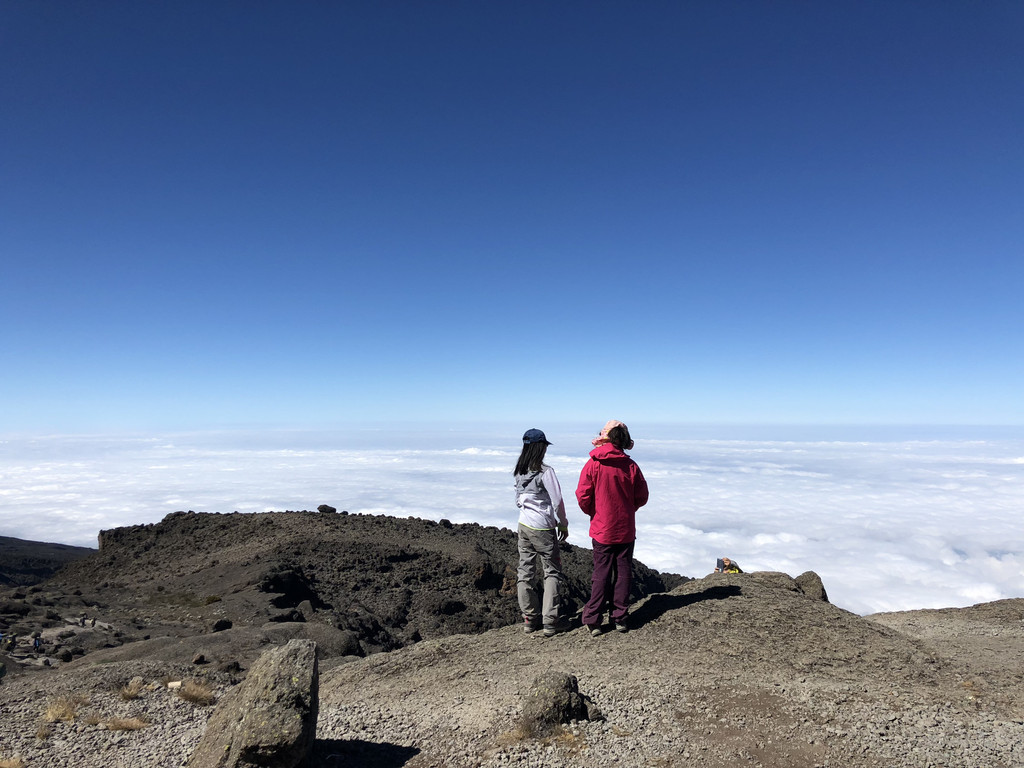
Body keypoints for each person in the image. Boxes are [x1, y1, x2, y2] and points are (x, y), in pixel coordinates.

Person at [576, 420, 649, 636]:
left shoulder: (594, 463)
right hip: (625, 528)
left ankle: (594, 621)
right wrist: (628, 508)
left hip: (602, 528)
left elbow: (583, 495)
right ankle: (620, 618)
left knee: (601, 573)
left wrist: (594, 513)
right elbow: (642, 496)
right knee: (624, 573)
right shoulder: (631, 465)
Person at [514, 428, 569, 637]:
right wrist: (563, 524)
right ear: (541, 447)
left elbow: (518, 499)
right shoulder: (546, 472)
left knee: (525, 571)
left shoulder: (520, 470)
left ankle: (529, 619)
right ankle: (550, 622)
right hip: (543, 527)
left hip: (524, 525)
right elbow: (557, 501)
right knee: (552, 571)